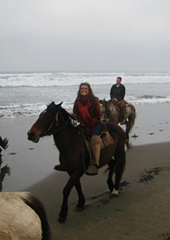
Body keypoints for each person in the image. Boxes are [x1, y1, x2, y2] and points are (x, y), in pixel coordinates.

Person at [54, 82, 102, 175]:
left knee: (94, 139)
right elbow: (76, 114)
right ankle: (65, 162)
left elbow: (98, 115)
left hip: (95, 124)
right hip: (83, 124)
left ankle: (94, 163)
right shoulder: (77, 101)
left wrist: (89, 123)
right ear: (79, 90)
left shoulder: (95, 100)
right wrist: (73, 116)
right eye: (82, 89)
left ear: (89, 90)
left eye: (85, 89)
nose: (83, 90)